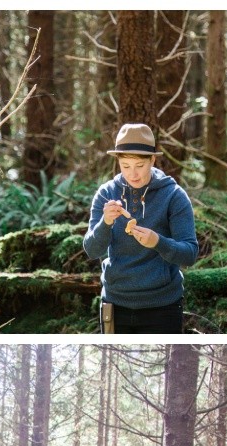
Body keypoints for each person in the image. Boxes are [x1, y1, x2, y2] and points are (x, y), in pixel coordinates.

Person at [83, 123, 198, 334]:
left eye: (139, 166)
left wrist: (158, 242)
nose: (133, 174)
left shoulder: (173, 196)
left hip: (162, 306)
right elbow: (92, 250)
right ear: (118, 162)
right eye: (125, 166)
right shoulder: (106, 194)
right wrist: (105, 223)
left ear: (152, 160)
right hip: (115, 303)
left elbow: (190, 254)